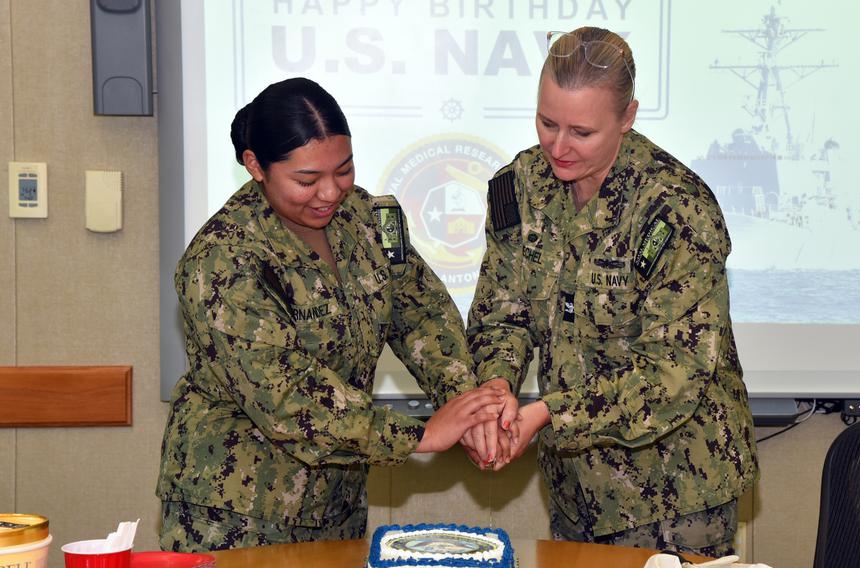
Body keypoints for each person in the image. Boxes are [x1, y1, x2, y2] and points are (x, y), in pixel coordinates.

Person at [156, 77, 510, 552]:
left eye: (343, 170)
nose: (330, 192)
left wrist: (467, 402)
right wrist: (422, 434)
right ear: (255, 166)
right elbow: (288, 400)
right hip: (238, 514)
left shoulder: (368, 217)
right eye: (306, 180)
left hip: (335, 505)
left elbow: (423, 316)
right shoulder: (221, 260)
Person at [467, 27, 759, 558]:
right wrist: (497, 389)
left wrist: (547, 412)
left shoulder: (676, 210)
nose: (558, 147)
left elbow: (671, 374)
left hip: (673, 493)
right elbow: (500, 316)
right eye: (546, 123)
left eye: (581, 132)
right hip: (574, 488)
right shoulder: (520, 186)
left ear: (627, 118)